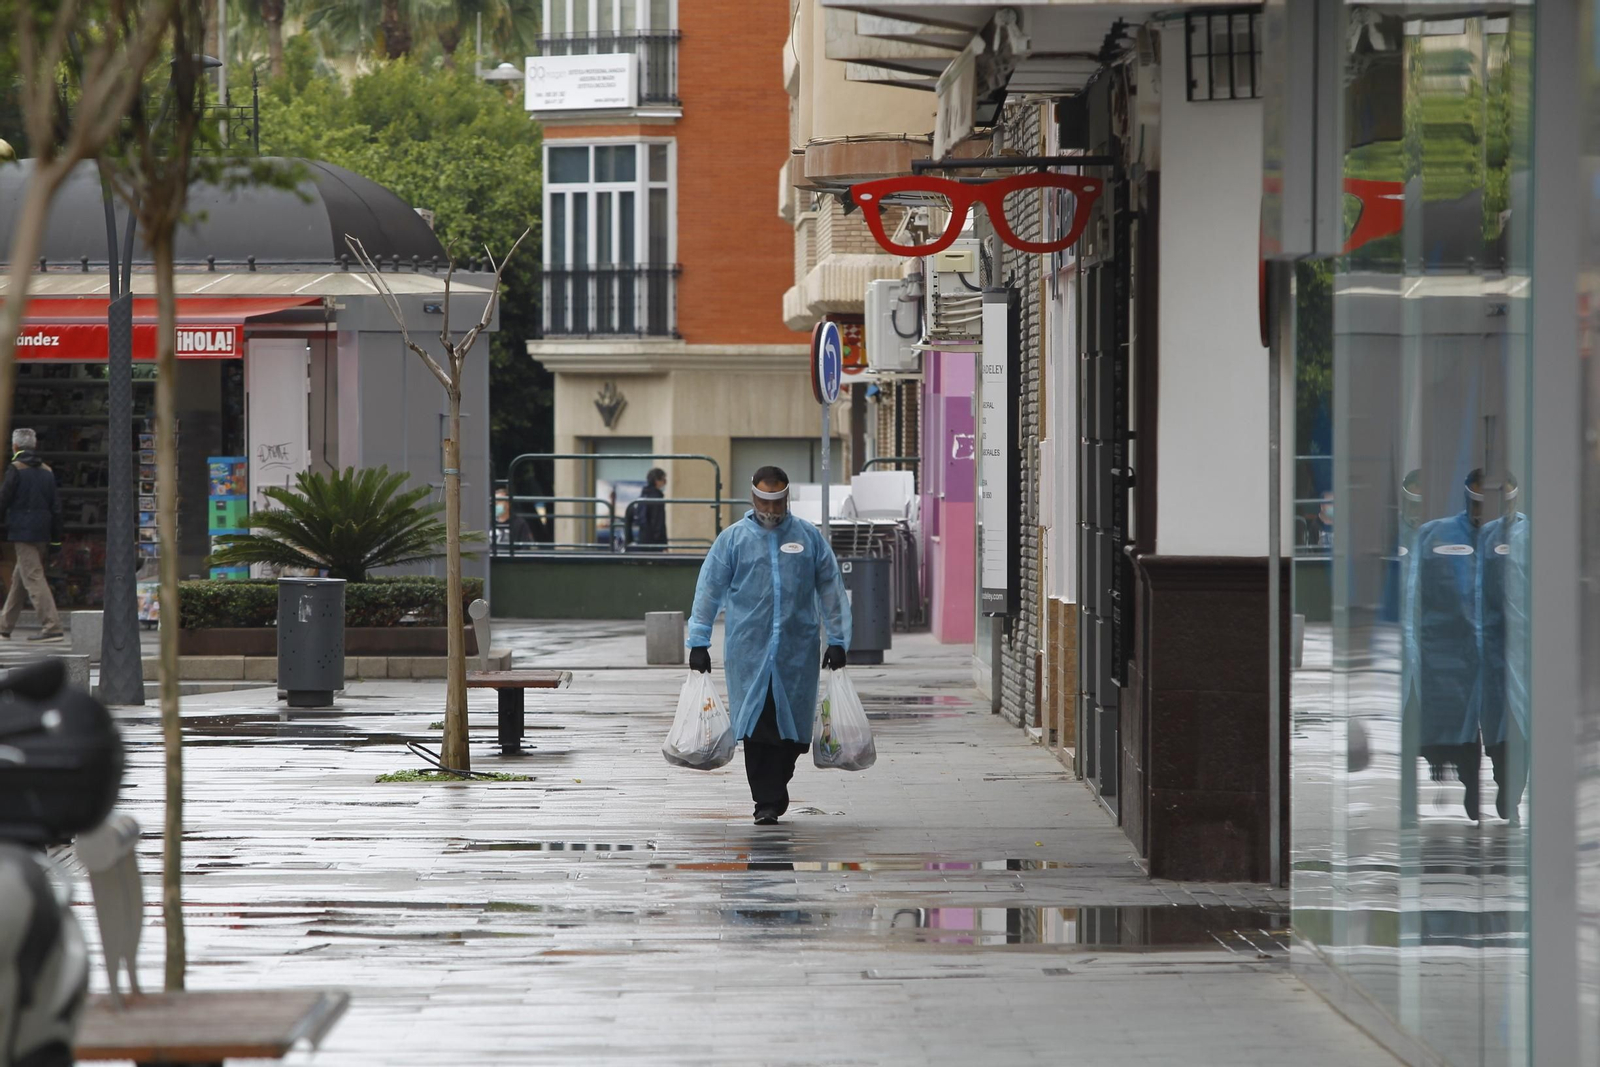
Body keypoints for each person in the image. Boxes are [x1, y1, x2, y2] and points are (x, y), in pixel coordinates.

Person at [687, 466, 851, 825]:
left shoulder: (809, 539)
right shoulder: (732, 541)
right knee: (758, 727)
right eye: (764, 501)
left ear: (787, 498)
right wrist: (698, 641)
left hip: (797, 652)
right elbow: (708, 591)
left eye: (777, 502)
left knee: (793, 734)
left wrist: (838, 640)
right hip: (749, 652)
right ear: (752, 496)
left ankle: (775, 787)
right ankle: (765, 801)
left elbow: (831, 591)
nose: (771, 509)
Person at [0, 429, 63, 642]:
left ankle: (51, 625)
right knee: (21, 578)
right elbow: (56, 508)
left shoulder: (15, 469)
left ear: (15, 447)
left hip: (23, 532)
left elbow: (3, 499)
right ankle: (4, 626)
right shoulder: (47, 471)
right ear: (34, 446)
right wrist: (56, 539)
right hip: (43, 533)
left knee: (33, 577)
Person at [629, 468, 670, 551]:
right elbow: (658, 522)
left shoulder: (643, 495)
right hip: (654, 542)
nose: (665, 482)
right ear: (657, 481)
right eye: (663, 479)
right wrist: (663, 544)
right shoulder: (656, 498)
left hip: (643, 538)